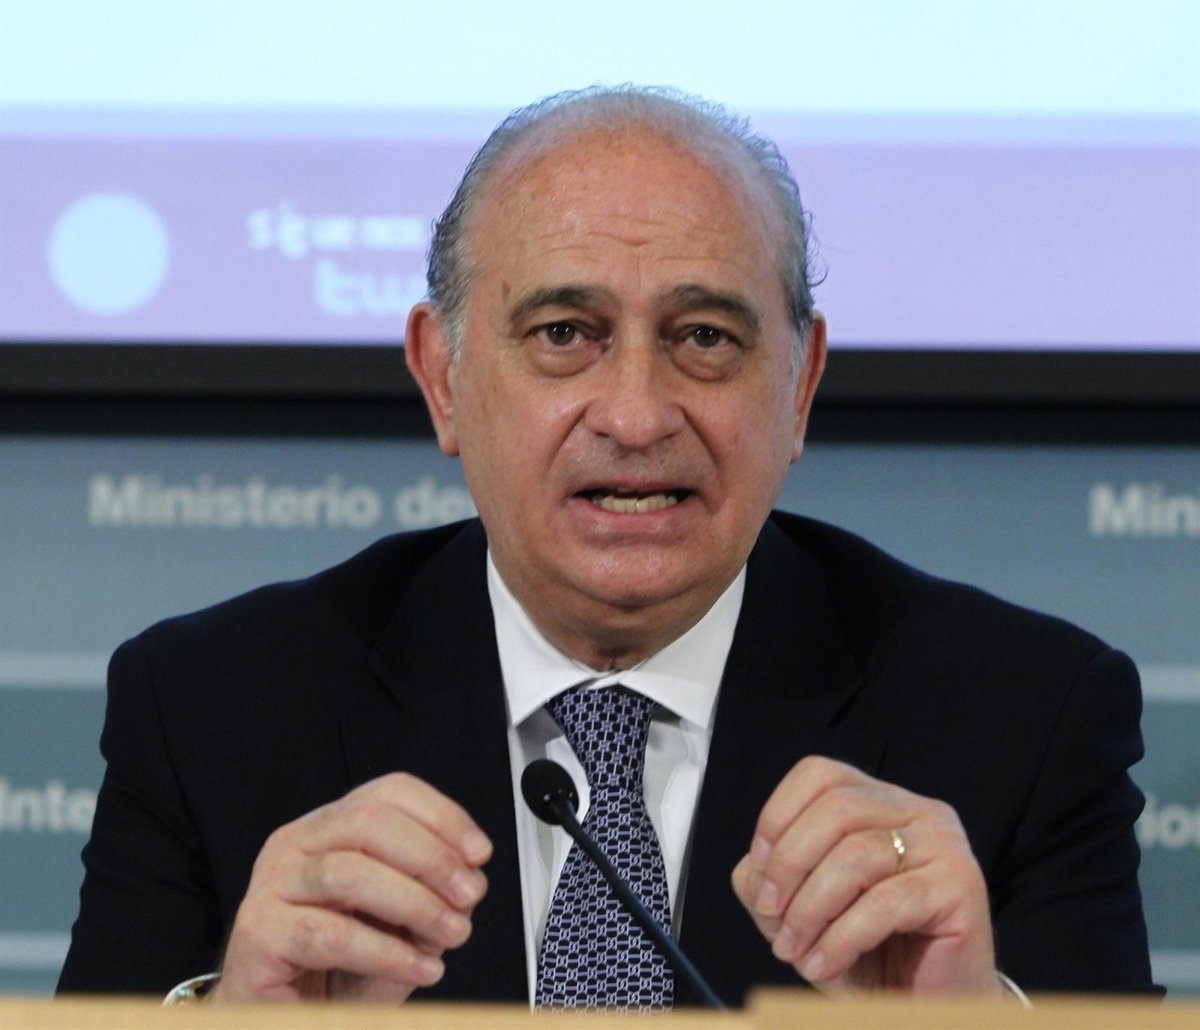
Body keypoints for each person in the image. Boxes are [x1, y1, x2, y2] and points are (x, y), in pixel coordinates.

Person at [57, 86, 1156, 1007]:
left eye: (705, 337)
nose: (635, 414)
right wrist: (235, 1025)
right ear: (444, 378)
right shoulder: (212, 709)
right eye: (564, 335)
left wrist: (978, 1023)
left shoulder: (1023, 719)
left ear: (800, 385)